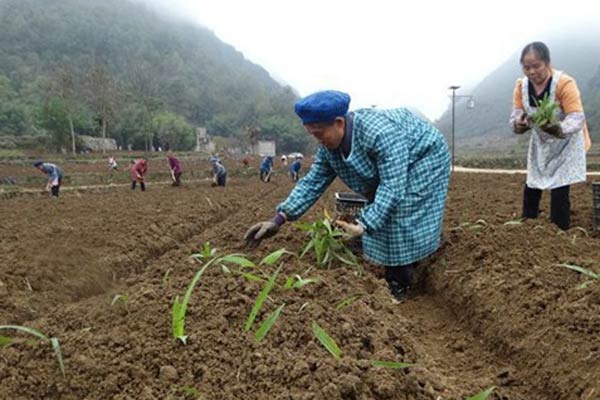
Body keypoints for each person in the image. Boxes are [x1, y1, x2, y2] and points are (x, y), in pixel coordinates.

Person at [244, 90, 451, 301]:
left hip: (424, 155)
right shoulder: (328, 148)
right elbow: (312, 182)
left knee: (400, 210)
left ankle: (401, 280)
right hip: (399, 163)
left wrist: (363, 224)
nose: (318, 140)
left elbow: (392, 188)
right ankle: (385, 250)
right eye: (312, 134)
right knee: (380, 207)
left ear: (339, 123)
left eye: (319, 133)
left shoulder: (380, 134)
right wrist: (278, 219)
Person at [510, 41, 591, 230]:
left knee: (560, 189)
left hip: (566, 144)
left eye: (536, 66)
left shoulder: (564, 83)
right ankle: (526, 226)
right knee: (532, 184)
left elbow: (577, 117)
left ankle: (559, 231)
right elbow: (515, 116)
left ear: (547, 63)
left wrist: (558, 128)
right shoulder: (521, 86)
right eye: (526, 67)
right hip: (542, 142)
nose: (531, 72)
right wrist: (519, 124)